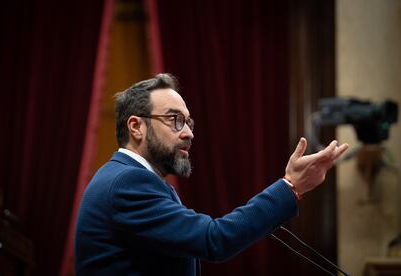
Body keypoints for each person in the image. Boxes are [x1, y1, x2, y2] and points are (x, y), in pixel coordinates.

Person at [74, 73, 349, 276]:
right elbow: (213, 240)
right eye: (175, 120)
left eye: (189, 122)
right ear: (136, 126)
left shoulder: (140, 180)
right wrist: (289, 186)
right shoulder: (127, 183)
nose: (189, 133)